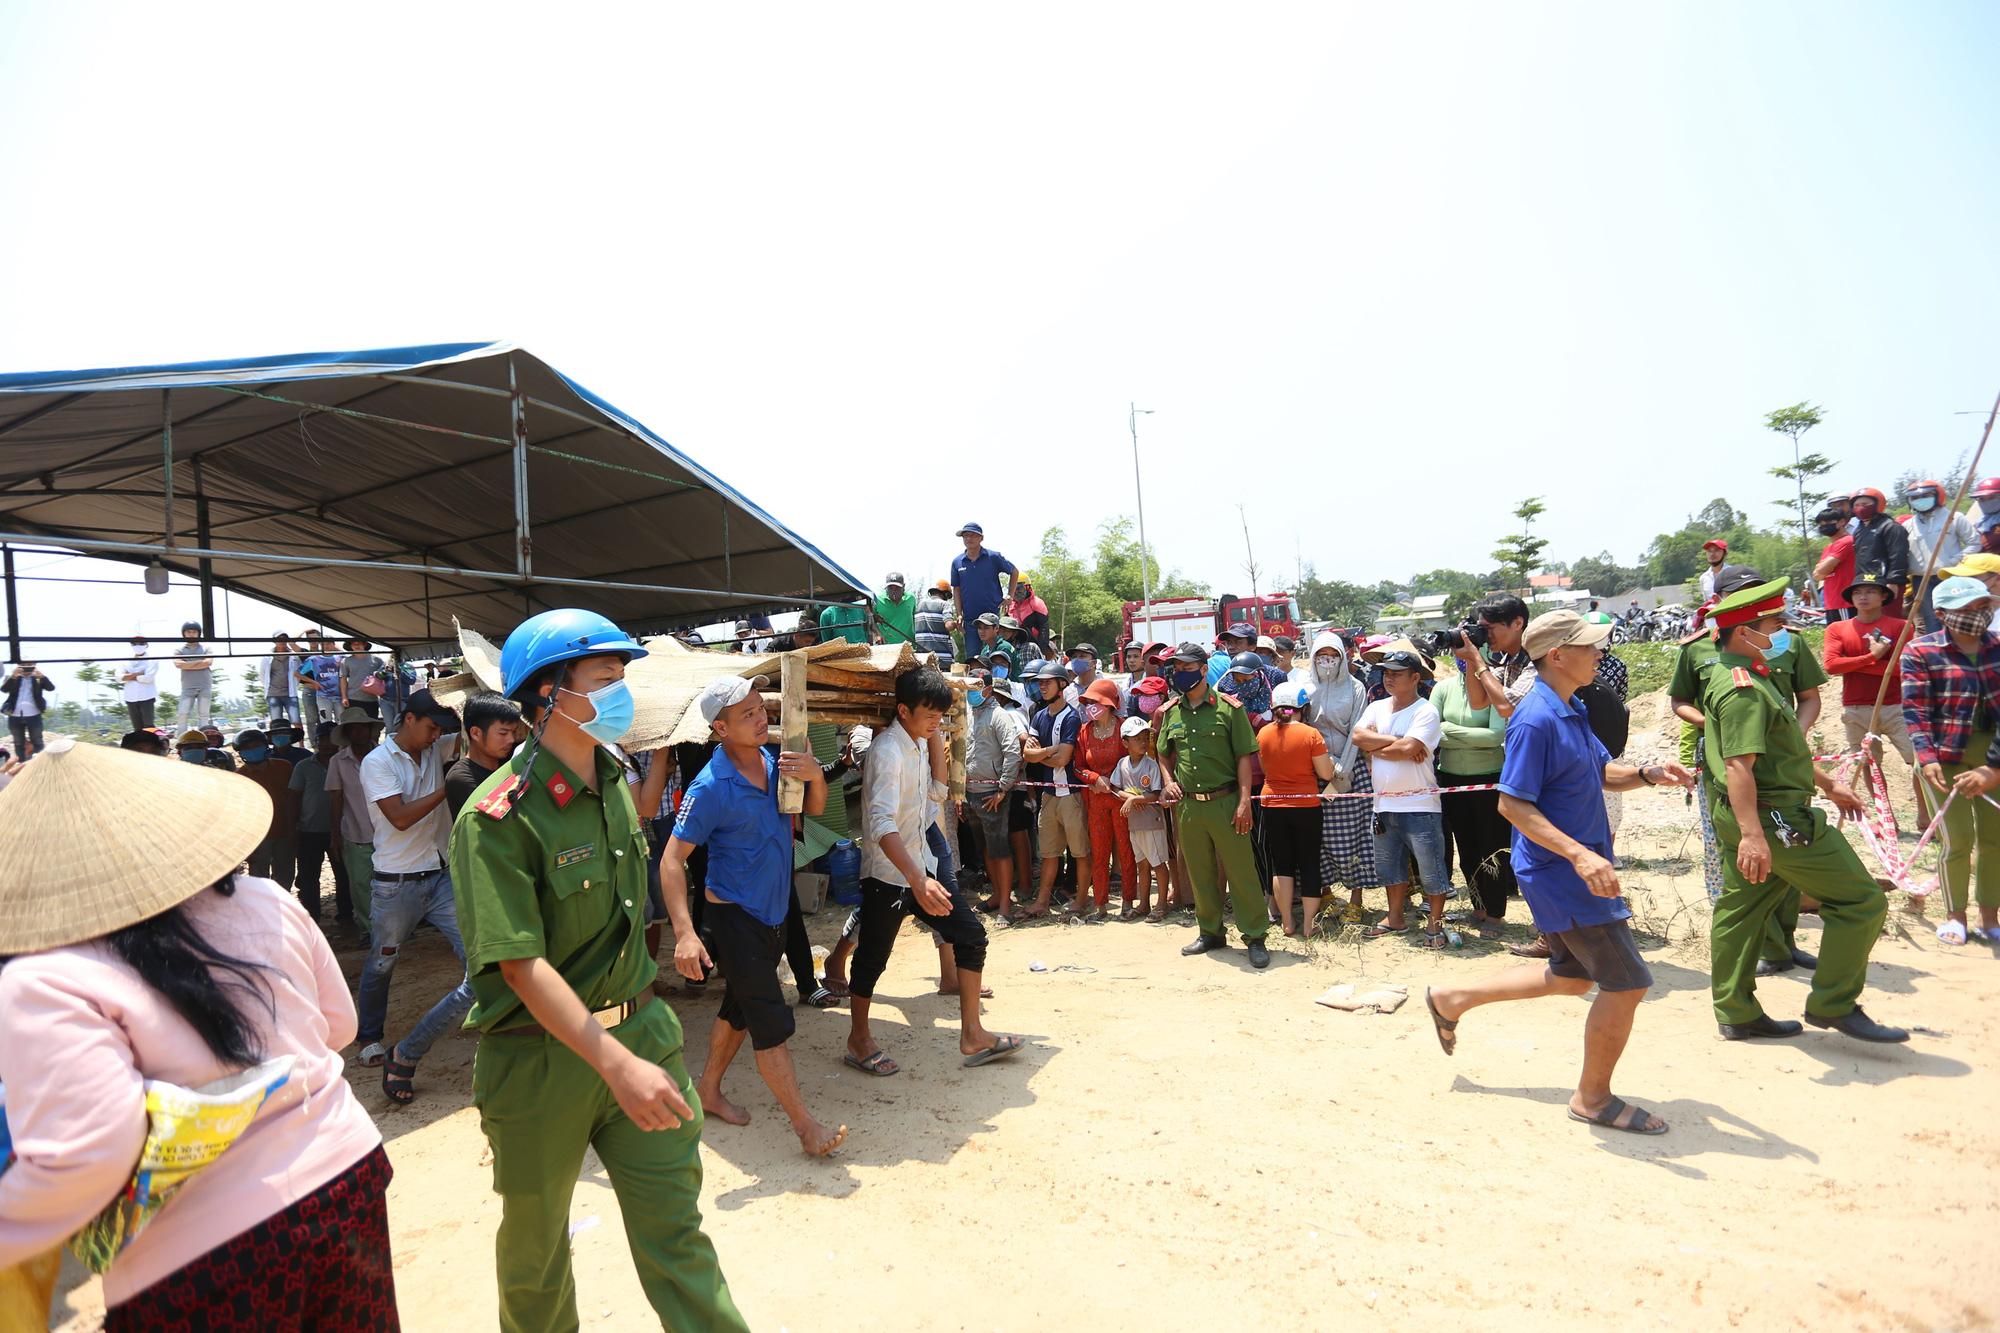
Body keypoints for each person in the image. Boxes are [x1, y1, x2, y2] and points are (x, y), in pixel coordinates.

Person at [0, 738, 395, 1327]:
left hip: (201, 1253)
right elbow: (338, 1024)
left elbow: (88, 1155)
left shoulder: (46, 978)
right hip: (344, 1174)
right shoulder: (265, 899)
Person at [447, 610, 746, 1331]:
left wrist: (637, 1047)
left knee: (678, 1236)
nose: (621, 696)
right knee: (537, 1261)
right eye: (605, 681)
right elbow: (519, 966)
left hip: (642, 1034)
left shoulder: (612, 778)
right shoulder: (497, 817)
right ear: (547, 695)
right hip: (540, 1061)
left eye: (623, 680)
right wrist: (614, 1062)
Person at [1423, 611, 1695, 1136]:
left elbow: (1598, 771)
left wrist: (1646, 774)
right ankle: (1593, 1099)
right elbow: (1512, 806)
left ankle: (1452, 999)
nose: (1600, 654)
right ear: (1557, 655)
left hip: (1571, 866)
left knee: (1572, 978)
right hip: (1562, 870)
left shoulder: (1570, 708)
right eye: (1590, 646)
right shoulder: (1536, 719)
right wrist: (1581, 855)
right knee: (1628, 982)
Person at [1701, 572, 1904, 1042]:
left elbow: (1778, 751)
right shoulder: (1744, 690)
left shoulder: (1739, 674)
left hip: (1750, 815)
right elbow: (1739, 767)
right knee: (1861, 900)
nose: (1781, 634)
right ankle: (1833, 1002)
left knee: (1742, 909)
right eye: (1773, 625)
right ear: (1744, 631)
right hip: (1775, 818)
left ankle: (1735, 1009)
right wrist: (1755, 834)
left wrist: (1828, 783)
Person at [661, 675, 848, 1156]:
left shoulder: (775, 760)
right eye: (746, 714)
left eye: (759, 707)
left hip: (775, 910)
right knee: (770, 1020)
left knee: (740, 1007)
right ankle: (806, 1126)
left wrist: (815, 775)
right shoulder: (710, 788)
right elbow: (670, 861)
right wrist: (684, 933)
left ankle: (707, 1089)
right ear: (720, 729)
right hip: (736, 919)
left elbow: (816, 809)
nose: (761, 716)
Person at [846, 666, 1024, 1074]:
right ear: (903, 710)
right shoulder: (889, 751)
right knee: (873, 958)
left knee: (971, 935)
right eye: (930, 716)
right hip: (889, 877)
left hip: (919, 869)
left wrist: (936, 741)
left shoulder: (915, 743)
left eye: (939, 717)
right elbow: (881, 825)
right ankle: (858, 1037)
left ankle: (973, 1033)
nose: (935, 724)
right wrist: (917, 878)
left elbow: (933, 797)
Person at [353, 688, 470, 1104]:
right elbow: (400, 818)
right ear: (408, 719)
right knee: (382, 962)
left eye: (441, 729)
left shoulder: (436, 747)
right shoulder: (377, 763)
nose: (436, 736)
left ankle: (482, 1014)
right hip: (396, 881)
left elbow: (477, 726)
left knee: (476, 952)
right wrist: (451, 787)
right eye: (431, 727)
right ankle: (369, 1038)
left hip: (440, 876)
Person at [1899, 575, 2000, 945]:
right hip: (1944, 758)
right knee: (1957, 838)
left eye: (1981, 607)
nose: (1977, 615)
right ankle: (1955, 915)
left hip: (1994, 757)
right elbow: (1915, 709)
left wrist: (1994, 768)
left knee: (1995, 838)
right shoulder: (1920, 652)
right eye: (1966, 610)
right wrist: (1926, 758)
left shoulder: (1999, 647)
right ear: (1942, 615)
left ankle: (1989, 916)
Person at [1158, 642, 1270, 966]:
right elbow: (1163, 753)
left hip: (1227, 802)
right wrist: (1168, 782)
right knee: (1199, 873)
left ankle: (1255, 935)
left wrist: (1245, 801)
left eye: (1187, 669)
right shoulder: (1171, 712)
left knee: (1241, 872)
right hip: (1190, 806)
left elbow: (1243, 758)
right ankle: (1210, 931)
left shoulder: (1228, 709)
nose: (1180, 674)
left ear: (1204, 670)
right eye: (1177, 669)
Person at [1354, 650, 1451, 946]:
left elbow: (1408, 750)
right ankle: (1394, 918)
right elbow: (1358, 737)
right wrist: (1398, 742)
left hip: (1419, 804)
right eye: (1387, 672)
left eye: (1396, 673)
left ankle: (1435, 926)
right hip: (1383, 804)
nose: (1389, 677)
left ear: (1415, 678)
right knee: (1389, 868)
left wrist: (1378, 745)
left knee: (1431, 868)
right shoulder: (1378, 706)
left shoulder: (1426, 711)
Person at [1293, 630, 1377, 922]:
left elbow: (1357, 730)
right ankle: (1326, 893)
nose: (1327, 661)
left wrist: (1342, 768)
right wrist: (1319, 764)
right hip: (1312, 772)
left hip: (1349, 770)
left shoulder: (1355, 688)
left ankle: (1356, 900)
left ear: (1342, 657)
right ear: (1313, 656)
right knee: (1316, 837)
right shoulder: (1302, 685)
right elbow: (1298, 723)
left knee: (1358, 836)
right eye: (1321, 656)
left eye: (1333, 656)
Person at [1432, 654, 1515, 938]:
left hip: (1489, 779)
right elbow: (1431, 731)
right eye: (1459, 656)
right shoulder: (1443, 689)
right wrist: (1468, 735)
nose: (1463, 661)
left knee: (1492, 847)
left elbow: (1494, 736)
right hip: (1451, 779)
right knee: (1466, 849)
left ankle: (1494, 915)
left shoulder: (1495, 690)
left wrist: (1448, 730)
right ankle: (1478, 907)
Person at [1822, 575, 1918, 775]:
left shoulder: (1901, 626)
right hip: (1856, 707)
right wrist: (1872, 657)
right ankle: (1878, 807)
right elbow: (1831, 666)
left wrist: (1851, 664)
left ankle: (1924, 808)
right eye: (1857, 592)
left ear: (1884, 596)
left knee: (1917, 762)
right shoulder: (1837, 628)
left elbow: (1903, 668)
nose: (1862, 597)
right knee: (1867, 766)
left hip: (1895, 706)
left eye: (1870, 591)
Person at [1258, 682, 1333, 936]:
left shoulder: (1263, 734)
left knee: (1283, 865)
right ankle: (1310, 924)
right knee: (1310, 864)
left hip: (1273, 804)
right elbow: (1325, 772)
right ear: (1302, 708)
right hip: (1306, 805)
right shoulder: (1311, 734)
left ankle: (1287, 921)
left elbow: (1267, 771)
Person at [1021, 661, 1094, 920]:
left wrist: (1040, 754)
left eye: (1047, 682)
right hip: (1049, 795)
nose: (1041, 687)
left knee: (1080, 851)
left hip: (1071, 795)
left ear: (1062, 684)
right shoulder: (1038, 715)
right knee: (1049, 853)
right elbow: (1028, 755)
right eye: (1040, 682)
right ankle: (1042, 902)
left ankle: (1081, 901)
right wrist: (1049, 751)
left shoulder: (1072, 716)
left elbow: (1063, 760)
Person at [964, 665, 1028, 921]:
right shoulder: (968, 714)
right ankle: (997, 895)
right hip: (971, 792)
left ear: (989, 690)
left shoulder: (1000, 716)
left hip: (992, 793)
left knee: (999, 849)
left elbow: (1014, 752)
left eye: (976, 688)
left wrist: (1003, 789)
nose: (971, 693)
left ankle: (1005, 906)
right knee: (987, 850)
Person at [1076, 676, 1135, 920]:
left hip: (1122, 801)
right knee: (1099, 853)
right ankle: (1100, 906)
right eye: (1088, 701)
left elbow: (1133, 760)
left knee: (1126, 850)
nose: (1091, 705)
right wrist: (1093, 778)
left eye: (1095, 701)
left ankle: (1128, 903)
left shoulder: (1124, 728)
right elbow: (1077, 767)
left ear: (1109, 703)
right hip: (1096, 801)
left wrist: (1114, 779)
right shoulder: (1084, 731)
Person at [324, 705, 384, 932]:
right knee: (360, 885)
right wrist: (336, 834)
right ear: (347, 733)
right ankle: (369, 930)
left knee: (393, 883)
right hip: (355, 832)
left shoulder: (385, 755)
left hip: (388, 831)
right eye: (355, 729)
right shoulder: (338, 762)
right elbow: (336, 799)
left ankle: (395, 929)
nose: (360, 732)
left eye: (364, 728)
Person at [1110, 716, 1170, 919]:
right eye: (1138, 739)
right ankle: (1144, 903)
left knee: (1158, 863)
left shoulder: (1151, 765)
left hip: (1151, 822)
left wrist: (1132, 800)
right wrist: (1132, 799)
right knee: (1142, 864)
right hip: (1134, 824)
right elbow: (1115, 788)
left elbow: (1154, 794)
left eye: (1146, 738)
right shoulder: (1122, 764)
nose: (1144, 742)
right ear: (1125, 743)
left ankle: (1161, 904)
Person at [1904, 478, 1979, 632]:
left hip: (1950, 575)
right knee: (1932, 620)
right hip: (1921, 580)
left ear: (1938, 496)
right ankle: (1938, 653)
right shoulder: (1908, 524)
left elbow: (1974, 544)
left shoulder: (1954, 517)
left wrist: (1953, 562)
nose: (1920, 500)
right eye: (1915, 498)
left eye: (1925, 496)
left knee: (1956, 616)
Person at [234, 728, 297, 890]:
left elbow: (294, 799)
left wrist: (295, 829)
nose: (252, 750)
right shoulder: (239, 777)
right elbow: (240, 814)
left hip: (286, 833)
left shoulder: (284, 767)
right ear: (240, 752)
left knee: (285, 876)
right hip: (259, 838)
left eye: (256, 745)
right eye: (246, 748)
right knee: (259, 879)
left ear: (265, 746)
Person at [445, 691, 524, 819]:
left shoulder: (509, 762)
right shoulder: (461, 777)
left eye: (514, 732)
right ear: (476, 733)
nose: (511, 740)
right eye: (503, 733)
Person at [1456, 594, 1536, 720]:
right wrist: (1470, 655)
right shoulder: (1510, 660)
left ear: (1517, 623)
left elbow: (1506, 707)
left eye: (1490, 628)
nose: (1487, 635)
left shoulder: (1538, 659)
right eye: (1482, 629)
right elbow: (1478, 702)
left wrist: (1477, 659)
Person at [949, 522, 1019, 659]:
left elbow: (1014, 571)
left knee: (998, 656)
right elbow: (956, 589)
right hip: (970, 619)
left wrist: (1010, 596)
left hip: (992, 617)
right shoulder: (957, 562)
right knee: (972, 658)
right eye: (966, 535)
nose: (969, 538)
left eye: (973, 535)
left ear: (981, 538)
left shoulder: (993, 557)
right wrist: (959, 613)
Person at [291, 722, 339, 922]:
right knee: (309, 879)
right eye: (321, 739)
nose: (326, 743)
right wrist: (292, 828)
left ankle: (346, 916)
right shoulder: (304, 766)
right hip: (309, 831)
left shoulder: (345, 762)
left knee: (344, 877)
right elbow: (293, 798)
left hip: (341, 831)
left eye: (330, 739)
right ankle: (312, 919)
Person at [1849, 487, 1912, 617]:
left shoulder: (1890, 527)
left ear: (1878, 504)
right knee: (1868, 618)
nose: (1860, 507)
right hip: (1865, 582)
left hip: (1884, 582)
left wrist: (1893, 582)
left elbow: (1898, 555)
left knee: (1889, 619)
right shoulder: (1859, 530)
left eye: (1865, 504)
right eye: (1856, 505)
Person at [1812, 508, 1856, 622]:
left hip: (1845, 602)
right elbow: (1817, 576)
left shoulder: (1847, 541)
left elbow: (1821, 570)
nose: (1824, 526)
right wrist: (1824, 569)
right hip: (1832, 603)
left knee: (1846, 637)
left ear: (1841, 522)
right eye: (1821, 524)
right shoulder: (1828, 548)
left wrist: (1825, 568)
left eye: (1828, 522)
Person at [4, 662, 54, 759]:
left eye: (29, 665)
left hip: (33, 713)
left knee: (37, 741)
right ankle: (22, 765)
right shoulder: (13, 678)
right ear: (19, 665)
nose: (26, 667)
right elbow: (4, 689)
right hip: (15, 714)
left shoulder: (38, 678)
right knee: (18, 742)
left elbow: (51, 688)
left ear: (34, 665)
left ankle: (37, 764)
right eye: (23, 665)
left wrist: (42, 677)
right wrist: (14, 676)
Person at [171, 622, 213, 729]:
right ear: (184, 633)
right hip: (187, 686)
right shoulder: (179, 650)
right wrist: (199, 662)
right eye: (188, 632)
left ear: (198, 633)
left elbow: (208, 662)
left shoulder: (206, 648)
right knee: (182, 714)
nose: (191, 634)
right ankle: (181, 738)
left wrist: (187, 664)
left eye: (194, 632)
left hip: (204, 685)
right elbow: (178, 664)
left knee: (204, 715)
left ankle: (204, 737)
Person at [340, 638, 388, 719]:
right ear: (350, 646)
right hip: (352, 698)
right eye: (353, 644)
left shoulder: (377, 660)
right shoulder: (346, 661)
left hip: (371, 699)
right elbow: (343, 679)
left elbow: (385, 675)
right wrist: (344, 697)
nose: (356, 646)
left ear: (365, 644)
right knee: (353, 725)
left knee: (372, 725)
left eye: (359, 643)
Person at [118, 636, 159, 730]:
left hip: (146, 697)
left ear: (146, 645)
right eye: (135, 644)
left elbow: (148, 678)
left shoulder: (152, 659)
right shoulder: (125, 660)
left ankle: (152, 744)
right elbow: (118, 677)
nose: (138, 646)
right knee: (137, 728)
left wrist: (129, 676)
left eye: (141, 644)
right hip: (130, 698)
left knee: (149, 726)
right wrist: (139, 674)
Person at [261, 631, 300, 724]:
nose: (282, 642)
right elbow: (262, 674)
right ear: (274, 641)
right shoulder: (267, 656)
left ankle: (300, 739)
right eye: (279, 639)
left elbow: (299, 672)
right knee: (276, 722)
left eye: (284, 639)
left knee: (296, 721)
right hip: (273, 693)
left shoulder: (294, 655)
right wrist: (269, 686)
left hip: (290, 693)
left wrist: (295, 685)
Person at [914, 577, 956, 660]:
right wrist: (956, 623)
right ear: (945, 593)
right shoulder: (945, 605)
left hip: (921, 658)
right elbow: (949, 626)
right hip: (941, 658)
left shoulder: (919, 605)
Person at [1207, 621, 1257, 687]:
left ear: (1252, 646)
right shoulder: (1224, 683)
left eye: (1238, 642)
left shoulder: (1271, 675)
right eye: (1229, 643)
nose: (1231, 647)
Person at [875, 570, 916, 645]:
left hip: (909, 646)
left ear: (903, 586)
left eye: (897, 587)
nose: (894, 590)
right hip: (886, 646)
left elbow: (915, 619)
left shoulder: (911, 598)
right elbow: (871, 620)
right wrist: (878, 634)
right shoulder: (877, 601)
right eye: (891, 587)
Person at [1010, 577, 1050, 649]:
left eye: (1019, 591)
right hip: (1015, 647)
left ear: (1027, 588)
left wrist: (1042, 651)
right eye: (1014, 591)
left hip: (1034, 646)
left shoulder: (1037, 603)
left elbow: (1044, 628)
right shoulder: (1010, 607)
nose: (1017, 594)